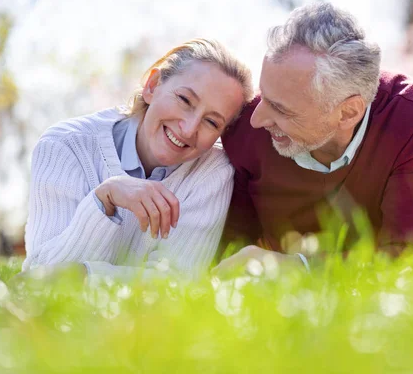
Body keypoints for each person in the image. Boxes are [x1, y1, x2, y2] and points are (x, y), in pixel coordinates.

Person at [213, 3, 413, 276]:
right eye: (263, 95)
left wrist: (296, 268)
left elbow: (408, 262)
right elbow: (229, 252)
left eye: (281, 109)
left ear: (348, 112)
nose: (258, 119)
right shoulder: (244, 128)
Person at [22, 38, 253, 281]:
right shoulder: (66, 145)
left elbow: (176, 284)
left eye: (212, 122)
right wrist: (104, 199)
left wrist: (85, 275)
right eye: (185, 100)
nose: (188, 129)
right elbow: (39, 279)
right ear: (152, 86)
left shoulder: (212, 171)